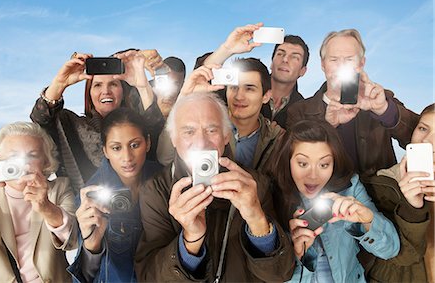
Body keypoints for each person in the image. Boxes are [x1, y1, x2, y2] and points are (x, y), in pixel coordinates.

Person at [135, 91, 295, 282]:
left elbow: (279, 274)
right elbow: (150, 277)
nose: (202, 143)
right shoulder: (155, 191)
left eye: (211, 130)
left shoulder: (254, 184)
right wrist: (191, 239)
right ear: (174, 140)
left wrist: (255, 217)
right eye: (189, 132)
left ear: (226, 136)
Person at [268, 119, 400, 282]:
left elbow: (390, 250)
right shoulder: (270, 193)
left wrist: (367, 221)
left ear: (334, 162)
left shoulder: (350, 188)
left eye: (323, 164)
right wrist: (296, 254)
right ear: (287, 160)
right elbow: (267, 272)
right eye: (303, 163)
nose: (313, 175)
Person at [286, 29, 419, 178]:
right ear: (323, 65)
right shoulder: (298, 111)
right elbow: (292, 163)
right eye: (334, 60)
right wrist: (327, 125)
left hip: (382, 198)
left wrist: (383, 110)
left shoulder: (382, 99)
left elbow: (423, 139)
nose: (341, 66)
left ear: (361, 63)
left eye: (349, 59)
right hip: (325, 197)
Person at [30, 49, 164, 195]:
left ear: (123, 90)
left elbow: (154, 126)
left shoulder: (138, 126)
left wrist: (143, 86)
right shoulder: (71, 126)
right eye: (97, 85)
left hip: (143, 206)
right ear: (89, 93)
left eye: (113, 84)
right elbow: (41, 119)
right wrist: (59, 83)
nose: (106, 91)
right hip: (85, 210)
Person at [68, 107, 161, 282]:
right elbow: (84, 277)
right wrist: (91, 245)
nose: (127, 157)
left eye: (134, 145)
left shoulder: (164, 180)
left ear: (147, 143)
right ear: (105, 151)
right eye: (116, 148)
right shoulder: (91, 196)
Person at [0, 122, 78, 282]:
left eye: (33, 155)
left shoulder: (59, 188)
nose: (24, 164)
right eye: (13, 156)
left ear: (46, 162)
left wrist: (47, 207)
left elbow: (74, 240)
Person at [360, 103, 435, 282]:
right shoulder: (382, 185)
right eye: (423, 128)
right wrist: (411, 208)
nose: (427, 140)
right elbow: (395, 258)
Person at [200, 23, 309, 128]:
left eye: (294, 57)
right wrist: (227, 49)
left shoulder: (303, 111)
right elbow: (202, 79)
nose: (285, 59)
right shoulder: (236, 88)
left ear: (303, 71)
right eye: (280, 53)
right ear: (271, 62)